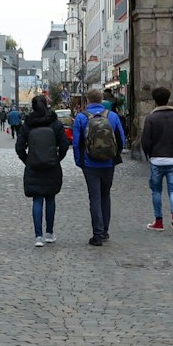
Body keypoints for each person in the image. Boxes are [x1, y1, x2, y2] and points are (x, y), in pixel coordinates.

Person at [71, 85, 128, 245]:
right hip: (108, 162)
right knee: (105, 195)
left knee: (94, 197)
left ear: (87, 100)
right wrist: (114, 156)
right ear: (101, 100)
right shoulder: (112, 116)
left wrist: (79, 161)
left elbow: (76, 143)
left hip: (89, 163)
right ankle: (105, 231)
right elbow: (121, 139)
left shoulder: (81, 117)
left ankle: (97, 233)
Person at [16, 93, 68, 247]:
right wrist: (56, 159)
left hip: (34, 167)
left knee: (37, 199)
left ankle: (38, 236)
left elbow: (19, 147)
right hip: (51, 167)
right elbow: (64, 145)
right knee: (50, 198)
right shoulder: (55, 123)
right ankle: (49, 233)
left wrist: (28, 160)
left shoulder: (28, 124)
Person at [138, 85, 173, 235]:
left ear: (155, 100)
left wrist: (149, 155)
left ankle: (158, 221)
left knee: (156, 191)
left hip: (157, 159)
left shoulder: (151, 118)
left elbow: (145, 140)